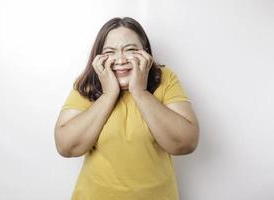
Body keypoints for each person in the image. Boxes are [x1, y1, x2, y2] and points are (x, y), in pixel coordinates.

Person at [54, 17, 199, 200]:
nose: (120, 59)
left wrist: (140, 91)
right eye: (110, 52)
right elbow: (66, 146)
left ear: (145, 52)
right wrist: (108, 95)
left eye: (130, 50)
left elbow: (185, 143)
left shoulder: (165, 79)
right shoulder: (88, 84)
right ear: (98, 57)